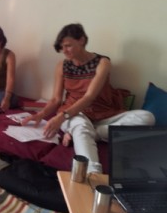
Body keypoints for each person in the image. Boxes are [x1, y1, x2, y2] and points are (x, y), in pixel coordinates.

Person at [21, 23, 155, 174]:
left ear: (82, 40)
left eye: (68, 46)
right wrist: (41, 115)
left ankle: (95, 133)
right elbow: (56, 99)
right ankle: (93, 173)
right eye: (62, 47)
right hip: (74, 114)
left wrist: (60, 118)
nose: (64, 51)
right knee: (80, 125)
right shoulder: (62, 66)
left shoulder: (103, 63)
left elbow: (89, 96)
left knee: (147, 117)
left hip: (103, 114)